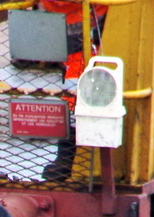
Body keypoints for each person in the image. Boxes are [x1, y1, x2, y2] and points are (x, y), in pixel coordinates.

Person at [41, 0, 108, 180]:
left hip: (94, 28)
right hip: (81, 33)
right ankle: (70, 157)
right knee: (77, 94)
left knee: (82, 94)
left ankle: (70, 158)